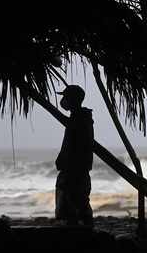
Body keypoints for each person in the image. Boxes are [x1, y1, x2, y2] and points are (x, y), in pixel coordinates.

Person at [55, 85, 94, 226]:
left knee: (75, 200)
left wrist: (64, 160)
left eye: (65, 97)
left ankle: (81, 232)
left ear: (72, 100)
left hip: (75, 168)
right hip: (75, 167)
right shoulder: (79, 118)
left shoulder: (80, 119)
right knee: (76, 200)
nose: (63, 101)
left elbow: (75, 147)